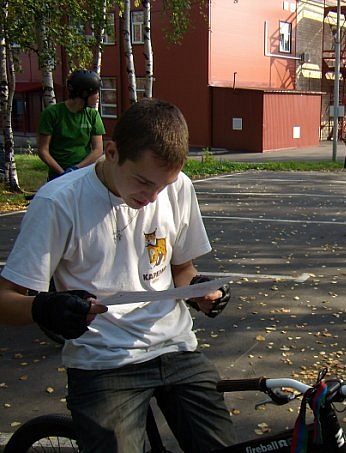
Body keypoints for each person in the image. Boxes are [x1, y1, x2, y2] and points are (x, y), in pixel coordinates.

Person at [0, 98, 234, 452]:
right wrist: (44, 308)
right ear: (111, 152)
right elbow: (6, 299)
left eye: (163, 186)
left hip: (175, 346)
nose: (152, 197)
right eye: (143, 182)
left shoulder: (179, 186)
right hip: (103, 360)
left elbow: (182, 270)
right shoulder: (59, 202)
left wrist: (199, 292)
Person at [37, 69, 106, 181]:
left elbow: (98, 150)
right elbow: (43, 150)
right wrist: (62, 173)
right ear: (84, 94)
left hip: (83, 174)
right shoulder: (51, 114)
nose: (98, 96)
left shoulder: (93, 115)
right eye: (95, 92)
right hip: (57, 176)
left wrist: (75, 169)